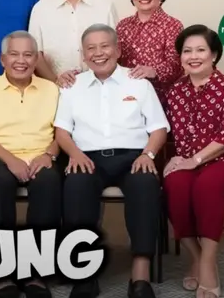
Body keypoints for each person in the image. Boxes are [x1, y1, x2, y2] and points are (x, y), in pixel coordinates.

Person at [55, 24, 169, 298]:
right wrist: (74, 153)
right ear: (83, 55)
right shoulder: (73, 85)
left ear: (117, 50)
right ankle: (85, 272)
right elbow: (62, 131)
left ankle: (140, 275)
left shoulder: (138, 82)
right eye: (90, 48)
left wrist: (148, 154)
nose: (98, 53)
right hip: (88, 157)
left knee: (145, 183)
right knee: (76, 184)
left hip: (133, 156)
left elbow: (158, 128)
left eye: (104, 46)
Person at [162, 24, 224, 298]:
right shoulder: (176, 92)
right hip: (192, 159)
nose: (193, 56)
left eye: (200, 50)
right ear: (180, 56)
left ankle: (206, 264)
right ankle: (198, 255)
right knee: (175, 183)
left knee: (208, 183)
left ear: (213, 54)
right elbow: (180, 137)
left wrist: (197, 158)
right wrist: (181, 159)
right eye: (187, 51)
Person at [0, 31, 61, 298]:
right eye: (14, 54)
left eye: (28, 54)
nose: (21, 60)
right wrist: (11, 161)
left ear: (36, 59)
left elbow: (62, 132)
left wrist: (48, 156)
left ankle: (35, 273)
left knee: (49, 181)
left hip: (40, 154)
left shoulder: (52, 90)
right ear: (2, 59)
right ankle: (3, 272)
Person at [29, 0, 119, 87]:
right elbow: (36, 54)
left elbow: (116, 48)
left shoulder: (105, 5)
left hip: (101, 87)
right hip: (55, 89)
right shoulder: (40, 9)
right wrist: (56, 81)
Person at [116, 0, 184, 99]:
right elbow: (114, 61)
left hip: (163, 99)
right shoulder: (122, 26)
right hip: (127, 97)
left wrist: (153, 71)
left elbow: (176, 65)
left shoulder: (173, 25)